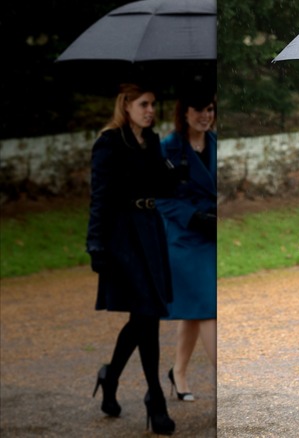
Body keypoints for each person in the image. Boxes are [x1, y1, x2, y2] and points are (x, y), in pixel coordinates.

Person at [86, 82, 176, 435]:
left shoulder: (152, 141)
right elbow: (99, 197)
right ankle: (155, 398)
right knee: (146, 316)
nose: (150, 109)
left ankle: (110, 376)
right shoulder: (109, 142)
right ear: (125, 104)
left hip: (150, 231)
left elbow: (163, 187)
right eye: (143, 104)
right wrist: (96, 245)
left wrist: (172, 169)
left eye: (153, 103)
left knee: (143, 316)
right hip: (122, 236)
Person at [155, 80, 217, 403]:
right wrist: (195, 218)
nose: (205, 116)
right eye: (198, 110)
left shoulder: (217, 143)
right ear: (185, 112)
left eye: (209, 109)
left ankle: (177, 372)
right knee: (208, 305)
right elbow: (162, 199)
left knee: (195, 309)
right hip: (184, 238)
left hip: (213, 235)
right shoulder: (168, 148)